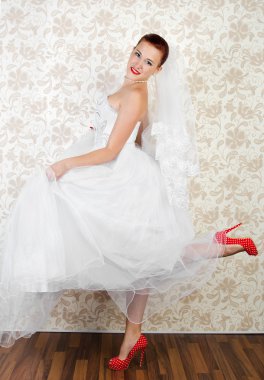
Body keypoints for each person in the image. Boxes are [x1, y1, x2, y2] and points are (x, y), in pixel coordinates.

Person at [0, 34, 258, 370]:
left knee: (148, 256)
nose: (137, 63)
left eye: (148, 62)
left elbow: (110, 151)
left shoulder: (136, 94)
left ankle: (217, 245)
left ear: (158, 70)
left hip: (119, 177)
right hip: (125, 175)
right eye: (137, 54)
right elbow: (131, 138)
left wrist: (65, 164)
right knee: (144, 260)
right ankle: (135, 332)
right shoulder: (132, 90)